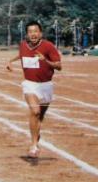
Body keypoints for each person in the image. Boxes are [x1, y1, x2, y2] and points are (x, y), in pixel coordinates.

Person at [7, 21, 62, 158]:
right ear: (27, 34)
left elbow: (59, 66)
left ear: (40, 33)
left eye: (36, 31)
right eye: (30, 31)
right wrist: (10, 61)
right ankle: (33, 145)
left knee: (40, 117)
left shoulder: (48, 46)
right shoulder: (23, 45)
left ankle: (36, 136)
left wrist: (45, 61)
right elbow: (21, 54)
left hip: (46, 86)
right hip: (30, 84)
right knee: (35, 111)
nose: (33, 34)